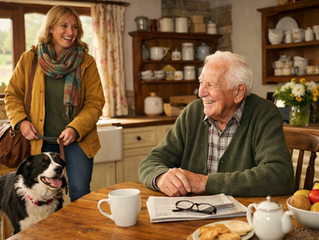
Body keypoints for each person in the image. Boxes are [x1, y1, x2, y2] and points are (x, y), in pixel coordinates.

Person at [138, 51, 294, 197]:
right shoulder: (193, 112)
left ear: (239, 92)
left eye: (211, 85)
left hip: (244, 218)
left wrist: (205, 183)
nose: (201, 93)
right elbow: (151, 162)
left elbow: (280, 175)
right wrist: (161, 177)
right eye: (201, 83)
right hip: (192, 215)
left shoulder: (264, 114)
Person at [4, 5, 105, 202]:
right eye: (64, 26)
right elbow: (12, 94)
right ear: (50, 28)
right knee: (41, 198)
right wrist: (21, 121)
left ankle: (80, 233)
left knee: (79, 192)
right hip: (39, 141)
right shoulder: (29, 59)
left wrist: (75, 128)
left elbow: (95, 103)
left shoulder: (87, 62)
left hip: (77, 140)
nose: (70, 32)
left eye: (75, 27)